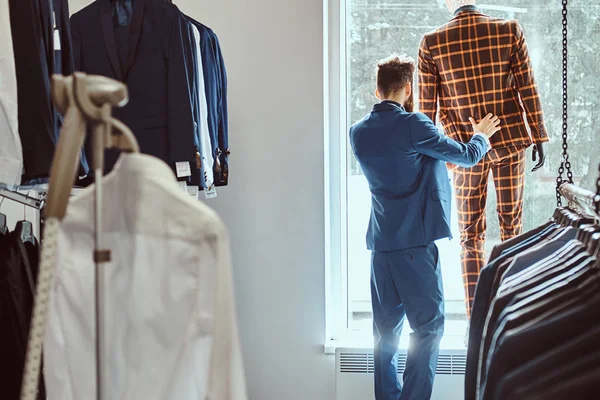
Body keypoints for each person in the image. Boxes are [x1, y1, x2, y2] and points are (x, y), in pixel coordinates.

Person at [349, 55, 500, 400]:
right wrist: (481, 136)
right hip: (415, 248)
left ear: (377, 89)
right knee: (429, 329)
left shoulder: (357, 132)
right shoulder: (414, 125)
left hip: (381, 248)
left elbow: (395, 161)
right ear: (407, 88)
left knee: (385, 334)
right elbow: (465, 155)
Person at [418, 0, 549, 320]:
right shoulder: (509, 30)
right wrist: (538, 134)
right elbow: (527, 87)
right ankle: (513, 313)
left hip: (464, 151)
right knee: (512, 229)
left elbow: (425, 111)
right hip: (510, 142)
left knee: (470, 237)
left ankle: (476, 319)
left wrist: (425, 158)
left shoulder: (432, 42)